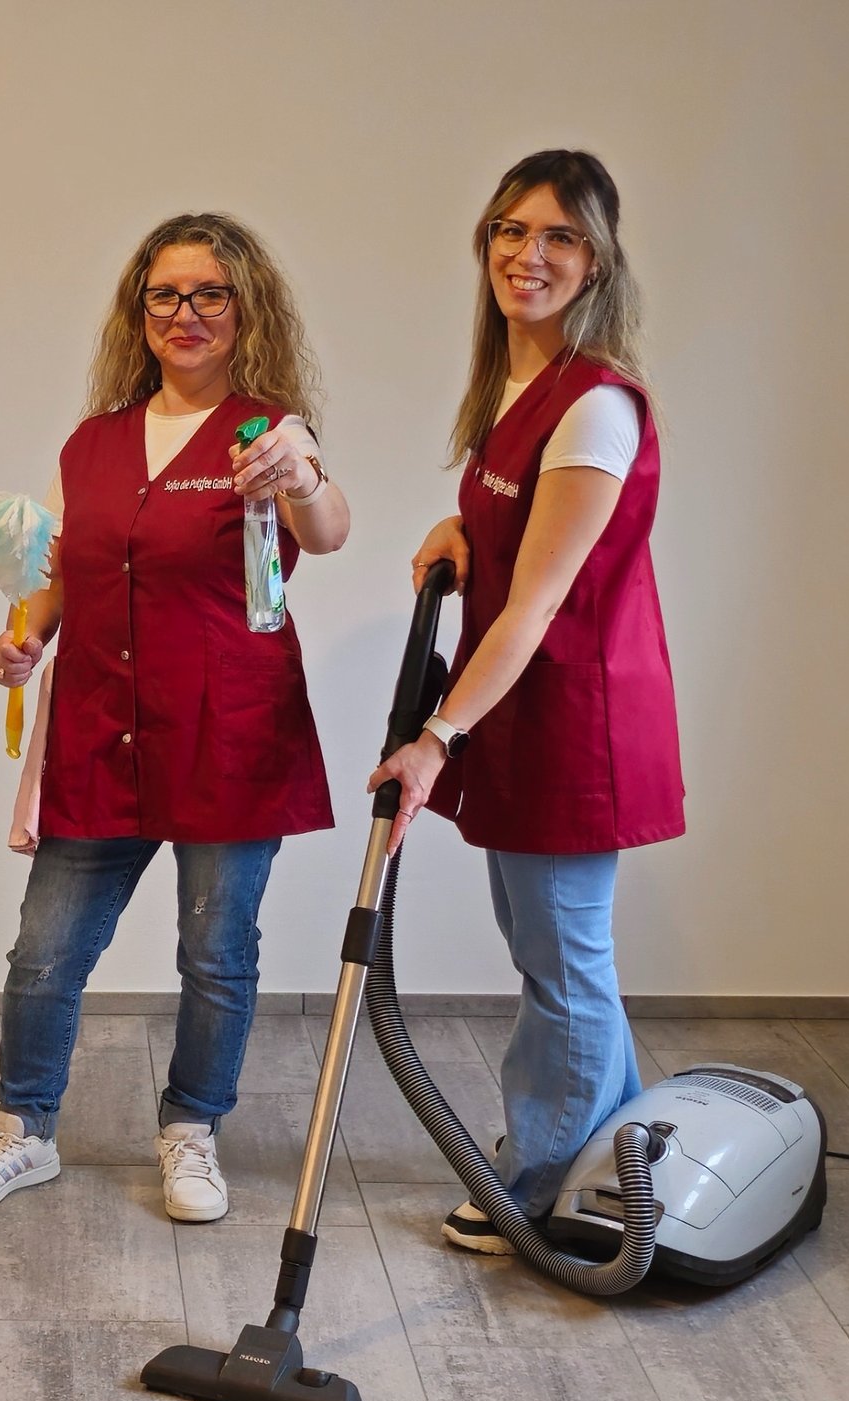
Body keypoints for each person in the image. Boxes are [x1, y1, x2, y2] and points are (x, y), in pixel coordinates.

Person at [0, 213, 351, 1221]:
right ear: (140, 311)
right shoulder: (92, 443)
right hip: (102, 729)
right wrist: (22, 634)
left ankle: (192, 1128)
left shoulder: (271, 433)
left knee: (217, 948)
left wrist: (303, 472)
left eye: (210, 293)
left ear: (244, 309)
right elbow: (53, 571)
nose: (186, 313)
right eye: (166, 294)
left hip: (231, 736)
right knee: (46, 949)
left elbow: (328, 531)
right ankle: (24, 1129)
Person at [369, 150, 683, 1254]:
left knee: (560, 958)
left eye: (557, 237)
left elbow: (543, 603)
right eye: (511, 229)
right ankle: (638, 1155)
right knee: (557, 949)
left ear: (595, 259)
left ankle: (541, 1172)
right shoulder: (512, 384)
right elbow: (519, 536)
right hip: (521, 705)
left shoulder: (596, 405)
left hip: (572, 719)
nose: (528, 254)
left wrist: (435, 737)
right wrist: (464, 531)